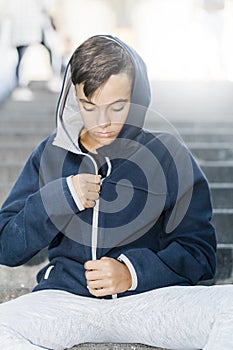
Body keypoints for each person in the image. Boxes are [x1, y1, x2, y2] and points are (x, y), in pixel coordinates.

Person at [0, 34, 232, 350]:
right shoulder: (49, 155)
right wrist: (60, 197)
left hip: (150, 300)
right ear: (73, 96)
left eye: (118, 106)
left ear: (136, 97)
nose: (103, 122)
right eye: (89, 106)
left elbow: (201, 252)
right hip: (66, 301)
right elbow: (7, 246)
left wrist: (132, 272)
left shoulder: (168, 154)